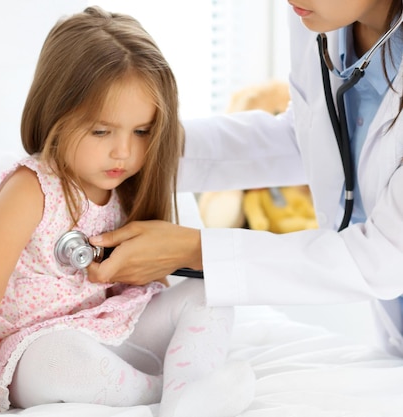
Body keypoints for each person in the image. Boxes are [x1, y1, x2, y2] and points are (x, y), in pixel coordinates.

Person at [0, 6, 254, 417]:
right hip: (39, 346)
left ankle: (187, 392)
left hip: (111, 329)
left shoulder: (125, 189)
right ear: (56, 114)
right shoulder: (32, 189)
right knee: (57, 361)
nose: (123, 152)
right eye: (101, 131)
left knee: (213, 291)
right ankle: (171, 393)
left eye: (142, 132)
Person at [87, 0, 403, 357]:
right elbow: (309, 139)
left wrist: (195, 250)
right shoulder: (318, 16)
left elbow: (385, 257)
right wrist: (140, 146)